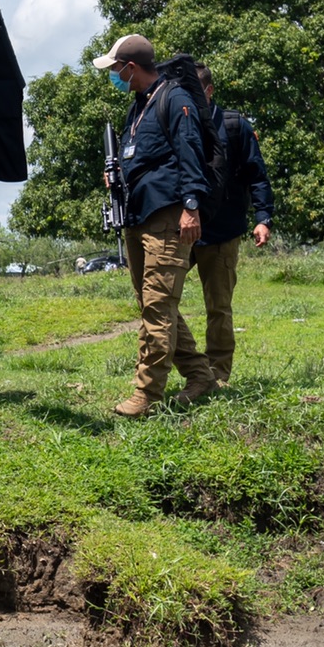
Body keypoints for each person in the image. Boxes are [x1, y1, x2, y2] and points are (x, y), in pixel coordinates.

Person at [94, 34, 217, 416]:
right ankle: (201, 376)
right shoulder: (137, 107)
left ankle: (147, 393)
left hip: (168, 215)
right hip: (137, 215)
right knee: (153, 304)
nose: (114, 76)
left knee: (157, 307)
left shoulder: (173, 98)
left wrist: (191, 207)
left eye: (116, 70)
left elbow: (189, 154)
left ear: (131, 67)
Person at [193, 65, 276, 384]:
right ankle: (188, 367)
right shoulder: (176, 123)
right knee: (160, 300)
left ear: (209, 91)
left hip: (222, 230)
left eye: (194, 90)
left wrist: (262, 218)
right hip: (181, 230)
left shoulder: (234, 125)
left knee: (218, 307)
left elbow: (257, 174)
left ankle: (217, 373)